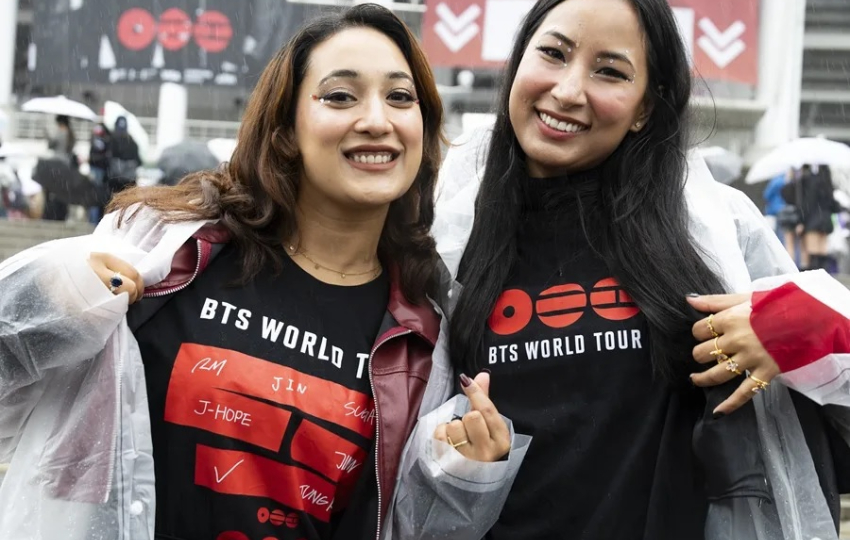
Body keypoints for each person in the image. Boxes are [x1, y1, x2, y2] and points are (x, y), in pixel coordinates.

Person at [0, 5, 519, 539]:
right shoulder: (164, 250)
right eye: (340, 95)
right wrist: (48, 303)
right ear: (286, 130)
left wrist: (462, 475)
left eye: (400, 97)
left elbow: (402, 528)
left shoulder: (424, 342)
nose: (377, 120)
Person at [427, 0, 850, 538]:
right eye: (553, 54)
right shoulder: (449, 240)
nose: (569, 90)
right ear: (518, 61)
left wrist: (790, 327)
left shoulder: (716, 232)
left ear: (645, 108)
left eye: (609, 71)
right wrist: (462, 466)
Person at [783, 163, 840, 271]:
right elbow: (833, 204)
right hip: (825, 221)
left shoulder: (806, 182)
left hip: (812, 221)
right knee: (822, 252)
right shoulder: (827, 183)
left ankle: (815, 280)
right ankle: (824, 278)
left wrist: (801, 221)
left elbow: (803, 203)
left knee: (812, 253)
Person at [106, 115, 141, 197]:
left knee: (113, 203)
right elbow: (139, 161)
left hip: (115, 179)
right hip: (128, 181)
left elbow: (107, 159)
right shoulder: (132, 141)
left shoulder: (111, 139)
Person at [88, 121, 112, 223]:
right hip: (99, 170)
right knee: (97, 196)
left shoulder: (97, 140)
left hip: (96, 169)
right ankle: (94, 220)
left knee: (95, 196)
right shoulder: (103, 140)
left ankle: (93, 220)